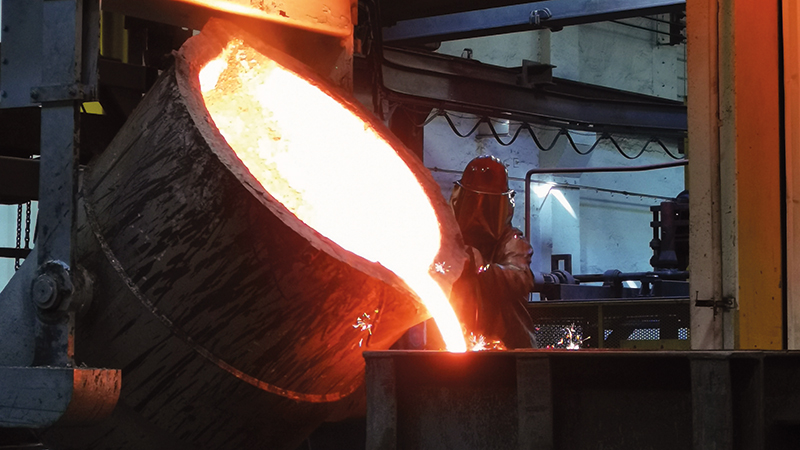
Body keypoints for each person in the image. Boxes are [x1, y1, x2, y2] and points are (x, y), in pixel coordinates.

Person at [449, 155, 538, 349]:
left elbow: (519, 277)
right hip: (461, 342)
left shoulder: (512, 241)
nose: (478, 213)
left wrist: (481, 267)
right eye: (473, 203)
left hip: (508, 346)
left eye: (486, 205)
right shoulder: (452, 240)